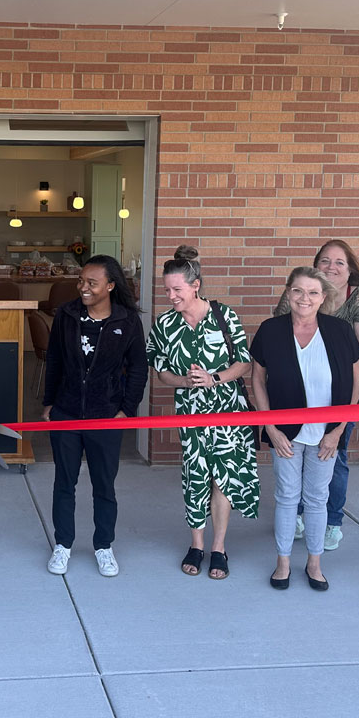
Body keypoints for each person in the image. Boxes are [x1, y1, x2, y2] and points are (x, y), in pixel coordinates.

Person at [146, 245, 259, 580]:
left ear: (195, 285)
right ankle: (196, 544)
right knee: (195, 477)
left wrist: (214, 379)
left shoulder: (224, 315)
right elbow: (160, 370)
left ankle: (219, 548)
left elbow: (244, 361)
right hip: (191, 412)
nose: (171, 296)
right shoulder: (164, 324)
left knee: (222, 478)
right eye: (166, 290)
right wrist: (185, 381)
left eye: (177, 289)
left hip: (227, 410)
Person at [252, 266, 359, 592]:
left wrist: (338, 430)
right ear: (288, 293)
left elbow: (356, 382)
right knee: (287, 497)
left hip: (326, 433)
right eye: (298, 290)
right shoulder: (271, 330)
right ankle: (283, 562)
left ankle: (314, 563)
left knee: (317, 498)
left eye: (313, 292)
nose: (305, 298)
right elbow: (258, 379)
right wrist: (269, 426)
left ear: (323, 297)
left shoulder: (339, 330)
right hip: (285, 431)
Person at [42, 255, 147, 577]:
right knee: (64, 482)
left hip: (106, 416)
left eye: (91, 283)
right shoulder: (67, 315)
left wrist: (126, 410)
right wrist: (49, 404)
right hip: (67, 413)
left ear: (111, 286)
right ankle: (63, 545)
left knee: (104, 485)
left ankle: (104, 546)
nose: (83, 288)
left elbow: (139, 369)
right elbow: (55, 360)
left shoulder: (127, 321)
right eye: (81, 281)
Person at [274, 240, 359, 550]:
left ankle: (332, 521)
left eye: (339, 262)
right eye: (325, 261)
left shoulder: (358, 300)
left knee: (334, 456)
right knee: (296, 460)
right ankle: (299, 516)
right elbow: (280, 329)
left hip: (342, 393)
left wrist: (334, 351)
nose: (331, 266)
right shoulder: (302, 292)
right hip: (298, 394)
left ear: (350, 268)